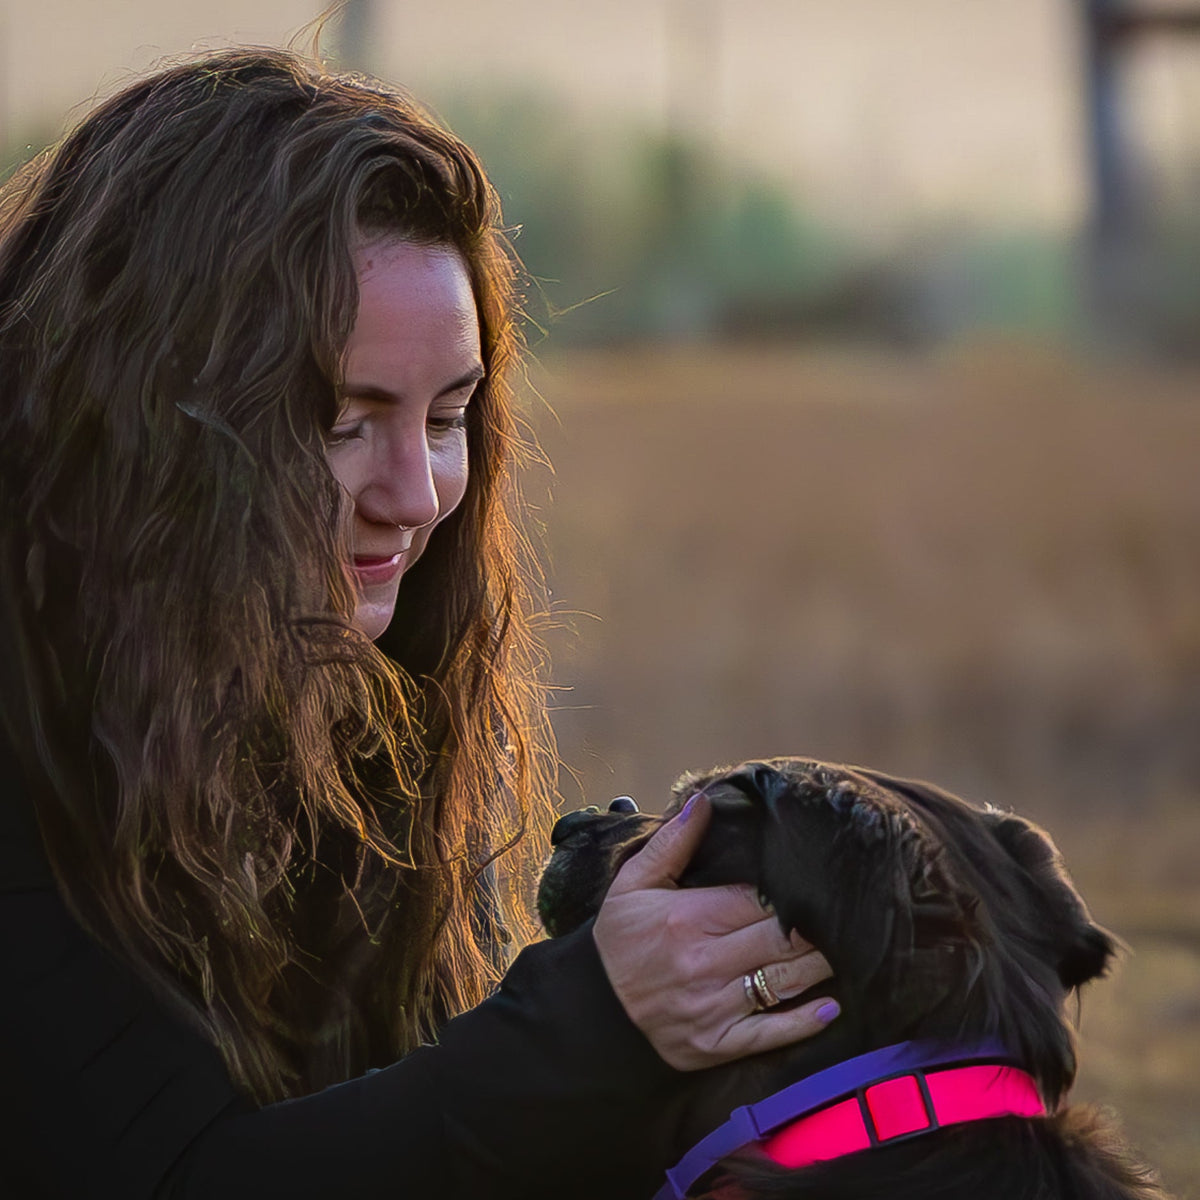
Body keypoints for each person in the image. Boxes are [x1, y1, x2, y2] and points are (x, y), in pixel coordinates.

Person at [0, 47, 838, 1198]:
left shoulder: (342, 689)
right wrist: (592, 1022)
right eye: (343, 421)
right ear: (152, 417)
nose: (414, 493)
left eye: (448, 417)